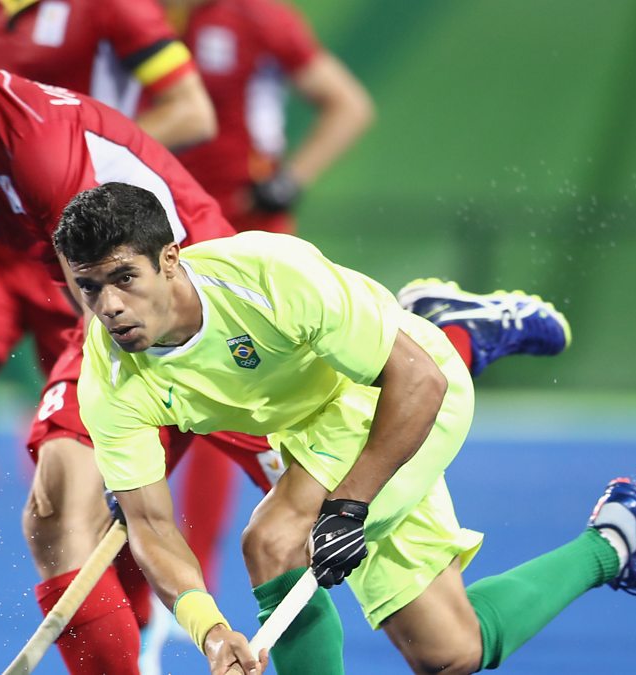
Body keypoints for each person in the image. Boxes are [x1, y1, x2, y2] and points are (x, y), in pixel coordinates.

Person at [56, 182, 636, 675]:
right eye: (90, 286)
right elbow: (150, 526)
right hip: (311, 434)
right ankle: (614, 542)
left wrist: (349, 504)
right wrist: (209, 629)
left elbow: (418, 381)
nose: (109, 305)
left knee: (274, 540)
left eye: (124, 278)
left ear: (169, 259)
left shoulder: (266, 276)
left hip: (405, 393)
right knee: (450, 651)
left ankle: (446, 328)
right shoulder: (107, 376)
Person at [0, 2, 272, 674]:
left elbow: (119, 295)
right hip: (85, 286)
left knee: (327, 510)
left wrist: (123, 433)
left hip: (183, 303)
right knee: (62, 507)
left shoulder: (37, 144)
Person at [157, 0, 375, 604]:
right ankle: (183, 587)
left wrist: (292, 175)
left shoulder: (256, 15)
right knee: (175, 397)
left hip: (253, 238)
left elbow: (348, 103)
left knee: (265, 393)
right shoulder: (132, 14)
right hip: (167, 234)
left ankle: (316, 520)